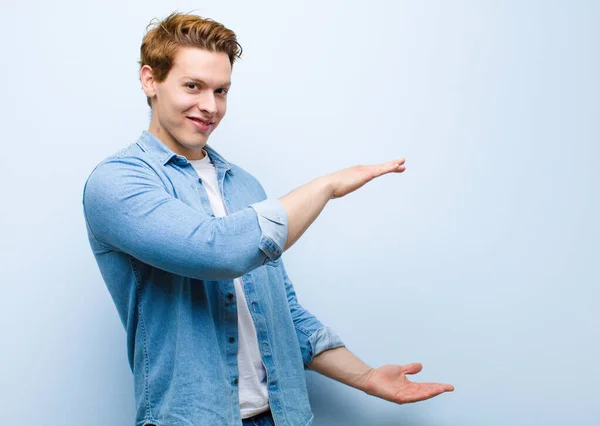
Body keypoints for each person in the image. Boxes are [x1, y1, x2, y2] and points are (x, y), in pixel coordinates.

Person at [82, 12, 454, 426]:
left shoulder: (245, 186)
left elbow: (283, 314)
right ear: (150, 80)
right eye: (193, 86)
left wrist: (366, 376)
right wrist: (325, 187)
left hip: (283, 416)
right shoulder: (118, 182)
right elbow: (219, 250)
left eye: (221, 91)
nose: (210, 106)